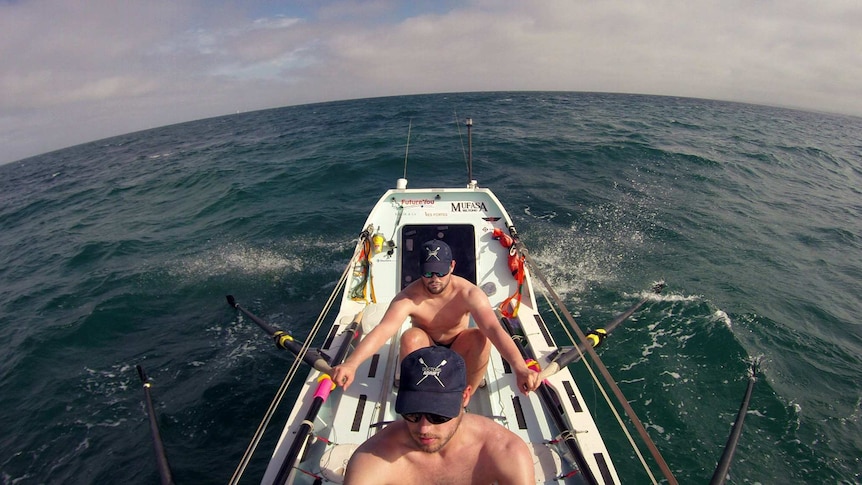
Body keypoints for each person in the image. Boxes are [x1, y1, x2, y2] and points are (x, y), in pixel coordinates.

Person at [331, 239, 538, 395]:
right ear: (420, 269)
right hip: (426, 347)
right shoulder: (408, 297)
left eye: (440, 272)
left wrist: (520, 368)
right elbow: (383, 331)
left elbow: (493, 329)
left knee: (480, 338)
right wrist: (351, 364)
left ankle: (463, 398)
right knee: (410, 337)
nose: (434, 280)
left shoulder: (469, 294)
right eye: (428, 273)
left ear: (452, 266)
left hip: (458, 348)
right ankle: (418, 397)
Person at [343, 346, 535, 485]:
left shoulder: (505, 451)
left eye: (438, 416)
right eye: (413, 414)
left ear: (465, 397)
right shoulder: (374, 457)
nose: (424, 428)